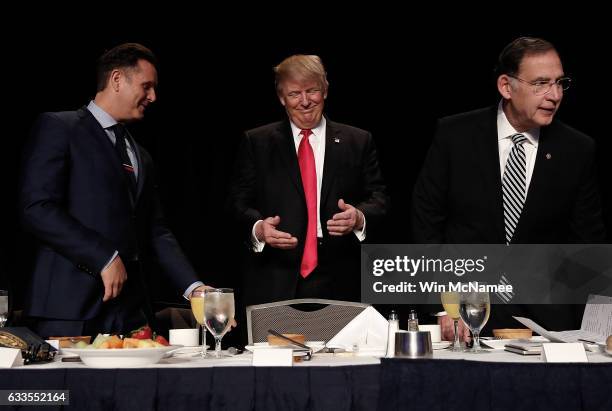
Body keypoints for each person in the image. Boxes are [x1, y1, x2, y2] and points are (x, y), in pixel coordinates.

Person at [411, 37, 606, 340]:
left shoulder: (577, 149)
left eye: (559, 83)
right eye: (541, 83)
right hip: (468, 314)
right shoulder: (455, 136)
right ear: (506, 86)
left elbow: (587, 243)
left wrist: (599, 325)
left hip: (547, 323)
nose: (554, 95)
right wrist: (441, 307)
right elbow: (426, 224)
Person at [19, 43, 206, 337]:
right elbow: (37, 208)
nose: (153, 97)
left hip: (130, 313)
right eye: (147, 86)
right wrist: (103, 256)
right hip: (69, 309)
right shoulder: (60, 127)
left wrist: (194, 288)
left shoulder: (140, 153)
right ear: (117, 79)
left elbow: (155, 231)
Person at [229, 54, 388, 307]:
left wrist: (359, 217)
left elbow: (379, 199)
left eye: (312, 91)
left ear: (324, 90)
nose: (304, 101)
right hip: (275, 280)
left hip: (341, 280)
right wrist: (259, 228)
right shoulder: (257, 142)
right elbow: (237, 205)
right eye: (294, 94)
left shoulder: (358, 141)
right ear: (281, 98)